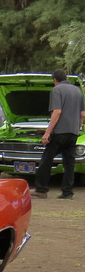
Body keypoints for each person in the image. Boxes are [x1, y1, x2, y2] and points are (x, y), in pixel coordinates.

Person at [34, 69, 84, 199]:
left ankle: (41, 189)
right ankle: (67, 192)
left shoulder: (56, 90)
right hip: (73, 133)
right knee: (69, 163)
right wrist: (77, 129)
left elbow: (57, 111)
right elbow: (82, 114)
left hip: (59, 132)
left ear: (55, 80)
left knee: (46, 160)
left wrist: (47, 132)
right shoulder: (78, 91)